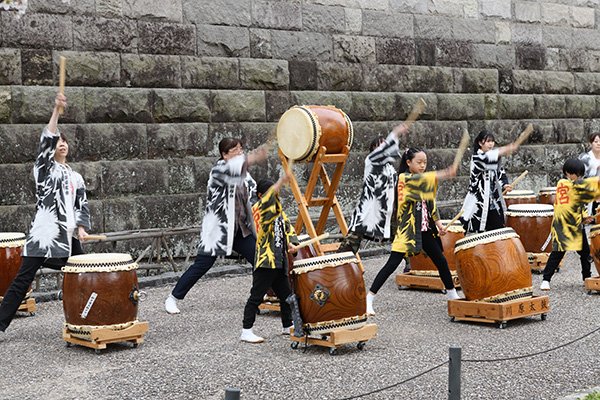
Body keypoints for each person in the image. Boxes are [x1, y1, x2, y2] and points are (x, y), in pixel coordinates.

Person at [0, 93, 90, 335]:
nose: (62, 143)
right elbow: (46, 139)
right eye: (58, 141)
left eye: (65, 141)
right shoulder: (44, 170)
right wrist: (56, 112)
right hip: (45, 236)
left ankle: (84, 320)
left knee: (81, 277)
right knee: (22, 280)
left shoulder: (76, 176)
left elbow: (81, 204)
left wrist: (81, 229)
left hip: (68, 239)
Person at [165, 138, 267, 314]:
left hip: (240, 229)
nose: (240, 152)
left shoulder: (244, 174)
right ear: (224, 155)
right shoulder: (218, 170)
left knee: (260, 261)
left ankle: (256, 300)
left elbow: (254, 192)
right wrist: (255, 156)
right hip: (218, 229)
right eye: (235, 150)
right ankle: (173, 298)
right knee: (202, 265)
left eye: (241, 149)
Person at [366, 148, 460, 316]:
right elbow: (421, 181)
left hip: (425, 229)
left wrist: (438, 223)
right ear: (408, 163)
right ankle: (369, 298)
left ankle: (452, 294)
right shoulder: (404, 179)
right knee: (392, 264)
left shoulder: (423, 180)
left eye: (425, 162)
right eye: (419, 162)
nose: (423, 165)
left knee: (441, 261)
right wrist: (445, 173)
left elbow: (430, 202)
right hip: (407, 231)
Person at [240, 174, 300, 343]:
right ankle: (246, 330)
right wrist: (282, 180)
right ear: (260, 195)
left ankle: (287, 326)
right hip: (266, 261)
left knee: (286, 296)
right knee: (256, 296)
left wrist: (292, 243)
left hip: (279, 260)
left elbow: (288, 227)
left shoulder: (278, 208)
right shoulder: (258, 209)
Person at [339, 123, 408, 254]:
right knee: (352, 241)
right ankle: (340, 265)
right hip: (369, 208)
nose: (384, 148)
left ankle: (410, 263)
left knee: (400, 239)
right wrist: (395, 132)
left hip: (386, 209)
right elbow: (382, 153)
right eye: (380, 146)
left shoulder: (390, 169)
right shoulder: (371, 162)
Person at [540, 158, 600, 290]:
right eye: (576, 174)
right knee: (558, 253)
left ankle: (586, 278)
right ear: (568, 173)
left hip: (577, 226)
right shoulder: (563, 183)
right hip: (563, 226)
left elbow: (579, 204)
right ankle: (546, 279)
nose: (578, 177)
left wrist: (585, 217)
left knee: (585, 253)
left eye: (579, 175)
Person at [460, 130, 521, 233]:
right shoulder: (476, 159)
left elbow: (500, 173)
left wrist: (505, 185)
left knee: (497, 232)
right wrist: (508, 148)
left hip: (492, 203)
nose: (491, 144)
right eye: (488, 141)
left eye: (492, 141)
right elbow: (487, 160)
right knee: (477, 234)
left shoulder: (493, 158)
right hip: (478, 204)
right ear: (480, 143)